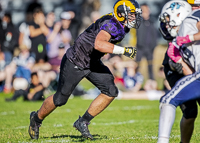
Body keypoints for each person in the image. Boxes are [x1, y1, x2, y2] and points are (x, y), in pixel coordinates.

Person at [28, 0, 141, 140]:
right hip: (76, 60)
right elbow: (99, 44)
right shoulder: (112, 24)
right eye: (131, 15)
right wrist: (123, 50)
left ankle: (83, 122)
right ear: (121, 14)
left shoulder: (121, 25)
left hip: (91, 62)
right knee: (60, 99)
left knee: (111, 91)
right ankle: (36, 118)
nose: (134, 18)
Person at [158, 1, 200, 143]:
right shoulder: (174, 44)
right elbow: (190, 73)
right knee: (190, 111)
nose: (166, 25)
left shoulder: (191, 22)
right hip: (182, 70)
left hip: (196, 73)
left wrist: (190, 38)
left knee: (168, 101)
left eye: (169, 20)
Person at [135, 3, 157, 80]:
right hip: (139, 48)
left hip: (150, 48)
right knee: (137, 66)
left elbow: (155, 35)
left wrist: (154, 45)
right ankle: (135, 81)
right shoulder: (139, 22)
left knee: (150, 66)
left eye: (145, 10)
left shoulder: (152, 22)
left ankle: (152, 82)